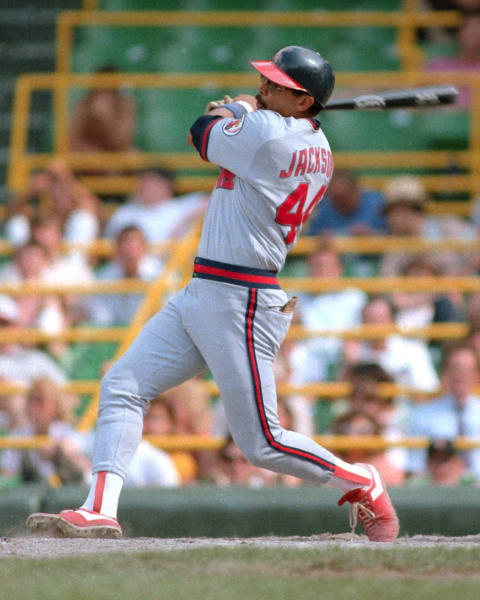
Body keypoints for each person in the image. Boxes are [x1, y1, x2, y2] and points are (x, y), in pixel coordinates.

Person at [27, 46, 398, 542]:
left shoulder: (269, 133)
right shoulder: (318, 146)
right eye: (264, 81)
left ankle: (361, 479)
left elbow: (199, 133)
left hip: (241, 298)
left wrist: (238, 109)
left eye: (276, 85)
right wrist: (251, 112)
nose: (265, 87)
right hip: (208, 287)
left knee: (262, 444)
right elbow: (248, 132)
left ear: (305, 102)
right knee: (122, 386)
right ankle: (100, 508)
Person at [407, 343, 480, 480]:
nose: (460, 376)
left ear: (477, 374)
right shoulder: (423, 414)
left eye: (466, 370)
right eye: (455, 369)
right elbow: (415, 465)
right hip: (438, 492)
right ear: (444, 373)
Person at [104, 168, 207, 243]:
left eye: (151, 182)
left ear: (167, 186)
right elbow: (110, 244)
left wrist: (183, 222)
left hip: (173, 265)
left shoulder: (181, 206)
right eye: (142, 182)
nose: (145, 187)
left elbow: (211, 200)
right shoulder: (124, 212)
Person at [307, 169, 386, 236]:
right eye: (336, 197)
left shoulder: (377, 204)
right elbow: (311, 236)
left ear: (357, 190)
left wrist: (372, 234)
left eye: (345, 195)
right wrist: (321, 237)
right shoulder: (324, 207)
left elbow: (391, 232)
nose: (342, 202)